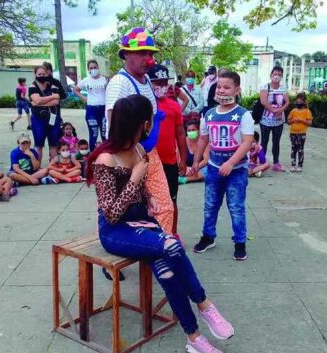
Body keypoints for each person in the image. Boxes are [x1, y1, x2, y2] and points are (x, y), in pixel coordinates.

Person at [87, 94, 233, 353]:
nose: (152, 124)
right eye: (150, 120)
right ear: (142, 123)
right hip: (116, 231)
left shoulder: (140, 150)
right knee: (171, 244)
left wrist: (149, 197)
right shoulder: (105, 160)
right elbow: (111, 213)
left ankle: (195, 339)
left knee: (165, 269)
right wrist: (134, 179)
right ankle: (204, 304)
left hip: (143, 222)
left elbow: (140, 193)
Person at [105, 26, 175, 235]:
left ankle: (161, 251)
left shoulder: (144, 81)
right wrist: (130, 165)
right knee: (128, 212)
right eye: (142, 53)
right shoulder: (120, 84)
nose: (149, 59)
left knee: (163, 207)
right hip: (128, 157)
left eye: (150, 54)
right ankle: (138, 254)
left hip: (148, 155)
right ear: (126, 54)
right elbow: (114, 126)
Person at [192, 71, 253, 261]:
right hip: (212, 169)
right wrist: (195, 160)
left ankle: (240, 242)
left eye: (227, 87)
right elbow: (203, 139)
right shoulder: (208, 115)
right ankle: (208, 236)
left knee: (236, 207)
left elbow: (247, 142)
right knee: (210, 205)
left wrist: (231, 162)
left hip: (236, 171)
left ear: (237, 89)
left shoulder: (243, 115)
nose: (221, 90)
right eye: (219, 86)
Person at [149, 64, 188, 234]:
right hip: (149, 163)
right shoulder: (144, 104)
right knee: (149, 203)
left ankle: (173, 234)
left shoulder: (173, 106)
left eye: (165, 83)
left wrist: (183, 160)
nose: (161, 87)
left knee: (172, 201)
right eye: (157, 83)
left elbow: (180, 133)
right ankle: (152, 236)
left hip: (170, 162)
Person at [28, 66, 63, 162]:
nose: (41, 76)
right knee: (39, 144)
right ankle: (37, 167)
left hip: (53, 117)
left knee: (53, 144)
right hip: (38, 119)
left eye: (43, 74)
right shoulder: (32, 87)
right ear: (35, 74)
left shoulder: (53, 85)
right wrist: (52, 96)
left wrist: (38, 103)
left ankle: (54, 167)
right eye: (39, 74)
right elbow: (37, 100)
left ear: (47, 74)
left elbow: (56, 101)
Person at [259, 65, 289, 172]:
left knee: (276, 142)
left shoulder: (283, 88)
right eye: (275, 74)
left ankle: (276, 163)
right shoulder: (265, 87)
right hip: (265, 120)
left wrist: (281, 110)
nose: (276, 76)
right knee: (264, 142)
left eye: (279, 75)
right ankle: (261, 163)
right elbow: (263, 101)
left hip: (279, 121)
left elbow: (287, 102)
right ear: (271, 75)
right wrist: (274, 110)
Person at [74, 59, 108, 151]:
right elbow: (76, 89)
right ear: (88, 69)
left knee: (105, 134)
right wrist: (84, 98)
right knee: (93, 134)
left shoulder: (105, 79)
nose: (93, 69)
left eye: (95, 67)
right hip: (91, 110)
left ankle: (107, 156)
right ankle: (92, 157)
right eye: (91, 68)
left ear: (98, 67)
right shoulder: (86, 80)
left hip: (104, 109)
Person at [287, 93, 313, 172]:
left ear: (304, 102)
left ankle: (300, 165)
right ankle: (293, 165)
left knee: (300, 149)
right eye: (297, 102)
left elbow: (309, 123)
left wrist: (301, 120)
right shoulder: (293, 111)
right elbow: (288, 121)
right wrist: (292, 121)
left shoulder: (307, 111)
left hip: (302, 133)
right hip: (293, 133)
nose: (298, 103)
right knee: (293, 149)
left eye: (300, 102)